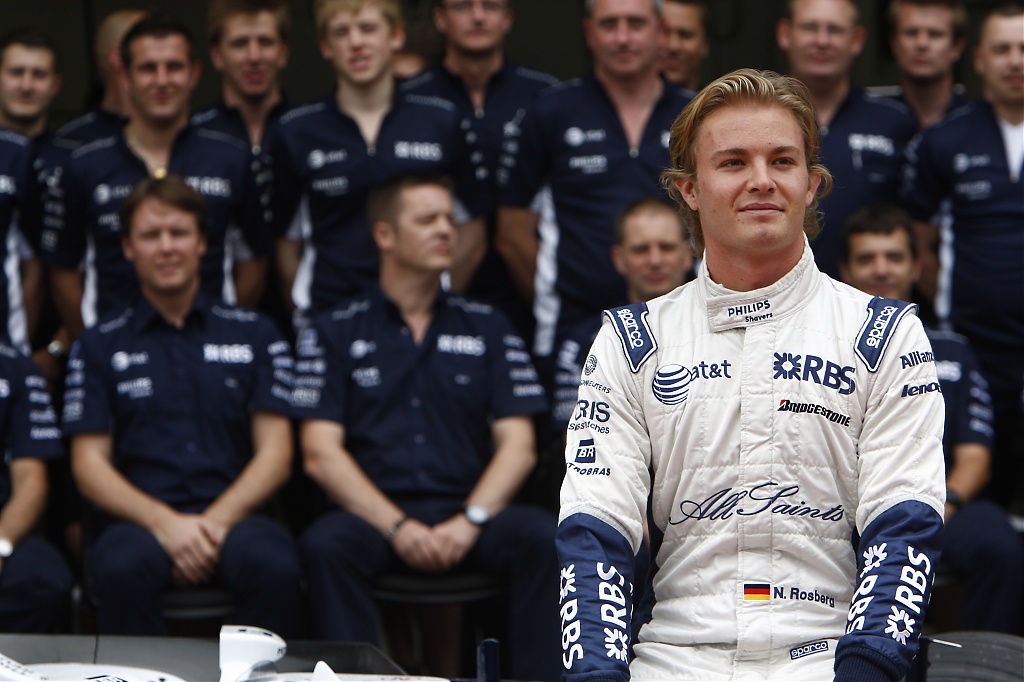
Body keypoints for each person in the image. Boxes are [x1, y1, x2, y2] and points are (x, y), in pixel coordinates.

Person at [556, 69, 945, 681]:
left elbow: (905, 524)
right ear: (689, 188)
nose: (761, 180)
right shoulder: (632, 341)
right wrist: (595, 676)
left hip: (830, 654)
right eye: (733, 162)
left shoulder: (885, 334)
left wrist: (866, 671)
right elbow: (593, 528)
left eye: (782, 161)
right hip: (673, 658)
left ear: (811, 184)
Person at [294, 173, 560, 681]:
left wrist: (470, 520)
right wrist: (398, 527)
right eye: (427, 220)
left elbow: (520, 446)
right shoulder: (334, 329)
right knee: (325, 545)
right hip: (374, 519)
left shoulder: (488, 325)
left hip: (471, 515)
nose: (445, 230)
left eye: (449, 219)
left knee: (543, 537)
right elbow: (319, 452)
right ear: (385, 236)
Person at [62, 175, 302, 637]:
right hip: (138, 522)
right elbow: (88, 466)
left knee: (274, 563)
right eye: (151, 235)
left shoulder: (256, 333)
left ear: (203, 242)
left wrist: (211, 524)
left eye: (179, 233)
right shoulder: (96, 345)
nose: (167, 247)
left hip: (237, 517)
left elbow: (277, 454)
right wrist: (166, 524)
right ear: (128, 247)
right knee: (119, 567)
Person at [840, 203, 1023, 634]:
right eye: (866, 258)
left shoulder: (954, 350)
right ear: (844, 271)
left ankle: (979, 665)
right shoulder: (821, 351)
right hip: (847, 515)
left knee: (1001, 545)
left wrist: (938, 510)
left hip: (944, 508)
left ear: (917, 266)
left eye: (894, 257)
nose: (881, 269)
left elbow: (975, 456)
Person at [41, 11, 271, 341]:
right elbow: (64, 274)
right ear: (125, 75)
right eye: (148, 68)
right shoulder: (84, 165)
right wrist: (96, 347)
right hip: (115, 353)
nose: (162, 81)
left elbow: (254, 265)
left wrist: (221, 334)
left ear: (194, 73)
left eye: (174, 67)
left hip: (211, 349)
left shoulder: (231, 158)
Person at [496, 0, 693, 363]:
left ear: (661, 31)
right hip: (572, 330)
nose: (622, 37)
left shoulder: (694, 115)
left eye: (636, 24)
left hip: (684, 329)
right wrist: (552, 295)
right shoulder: (550, 112)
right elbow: (512, 233)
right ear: (589, 32)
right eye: (609, 24)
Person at [266, 0, 486, 324]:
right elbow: (286, 248)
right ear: (326, 47)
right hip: (330, 319)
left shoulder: (441, 121)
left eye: (368, 29)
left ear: (396, 37)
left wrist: (436, 299)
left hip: (424, 322)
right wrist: (308, 315)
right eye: (341, 32)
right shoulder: (295, 132)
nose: (356, 42)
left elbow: (472, 232)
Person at [900, 2, 1024, 508]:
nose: (1015, 60)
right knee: (982, 493)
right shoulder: (945, 140)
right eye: (1002, 49)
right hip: (974, 344)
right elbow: (921, 244)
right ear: (978, 59)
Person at [400, 0, 558, 336]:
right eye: (462, 6)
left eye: (490, 5)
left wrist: (548, 306)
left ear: (508, 18)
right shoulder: (410, 99)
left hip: (530, 293)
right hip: (438, 288)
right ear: (440, 18)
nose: (477, 16)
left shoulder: (545, 96)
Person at [776, 0, 917, 280]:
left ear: (857, 40)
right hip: (776, 288)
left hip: (868, 293)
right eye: (810, 28)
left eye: (835, 30)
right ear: (785, 34)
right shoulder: (759, 119)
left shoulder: (894, 121)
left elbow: (919, 223)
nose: (822, 41)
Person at [550, 197, 693, 435]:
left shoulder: (718, 327)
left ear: (688, 254)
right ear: (619, 258)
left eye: (666, 247)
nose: (655, 260)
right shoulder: (588, 342)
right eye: (641, 249)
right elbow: (573, 435)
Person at [0, 340, 73, 633]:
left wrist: (1, 544)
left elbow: (31, 482)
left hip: (5, 525)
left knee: (46, 581)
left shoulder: (14, 367)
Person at [194, 0, 291, 153]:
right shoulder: (193, 134)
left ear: (283, 53)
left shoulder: (309, 129)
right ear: (216, 55)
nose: (254, 57)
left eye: (265, 42)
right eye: (240, 44)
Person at [887, 0, 968, 130]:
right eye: (911, 33)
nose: (922, 44)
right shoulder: (873, 124)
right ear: (894, 43)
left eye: (935, 34)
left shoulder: (978, 125)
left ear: (957, 46)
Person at [0, 27, 62, 140]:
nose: (26, 86)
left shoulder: (76, 150)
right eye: (16, 72)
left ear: (55, 85)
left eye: (39, 75)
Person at [660, 0, 708, 92]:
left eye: (685, 35)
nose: (673, 46)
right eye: (665, 33)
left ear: (704, 44)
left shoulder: (718, 101)